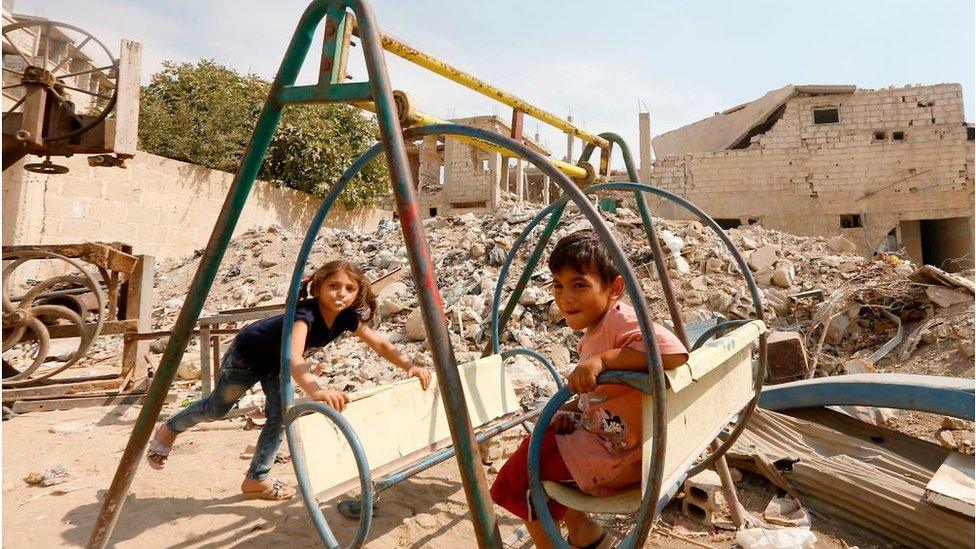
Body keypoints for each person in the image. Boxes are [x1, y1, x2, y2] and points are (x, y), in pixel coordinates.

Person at [146, 260, 431, 500]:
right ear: (318, 288)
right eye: (333, 286)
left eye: (349, 288)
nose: (341, 294)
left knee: (280, 416)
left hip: (276, 364)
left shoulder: (346, 318)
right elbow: (293, 356)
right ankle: (170, 429)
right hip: (248, 355)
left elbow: (380, 344)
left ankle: (256, 479)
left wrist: (409, 367)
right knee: (216, 410)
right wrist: (316, 390)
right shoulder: (305, 313)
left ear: (357, 294)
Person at [490, 230, 689, 549]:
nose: (566, 297)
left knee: (519, 480)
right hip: (616, 441)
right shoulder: (600, 329)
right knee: (546, 440)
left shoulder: (619, 322)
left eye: (579, 284)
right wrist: (575, 409)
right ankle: (586, 535)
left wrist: (601, 361)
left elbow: (673, 352)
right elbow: (604, 395)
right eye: (558, 285)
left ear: (615, 288)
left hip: (618, 456)